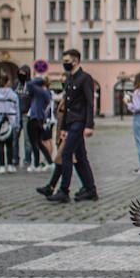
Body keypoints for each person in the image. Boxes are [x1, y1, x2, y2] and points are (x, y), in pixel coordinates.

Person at [45, 48, 97, 202]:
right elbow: (67, 105)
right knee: (80, 157)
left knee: (67, 154)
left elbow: (89, 103)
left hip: (80, 122)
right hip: (71, 123)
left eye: (67, 61)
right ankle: (90, 189)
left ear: (75, 61)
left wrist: (89, 125)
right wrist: (64, 129)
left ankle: (64, 191)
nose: (64, 64)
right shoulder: (69, 79)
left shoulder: (85, 78)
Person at [0, 71, 21, 173]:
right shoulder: (13, 95)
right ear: (7, 82)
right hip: (10, 121)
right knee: (10, 145)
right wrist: (17, 125)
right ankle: (10, 164)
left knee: (0, 144)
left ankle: (1, 165)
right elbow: (17, 110)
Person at [24, 72, 54, 171]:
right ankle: (49, 162)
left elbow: (29, 84)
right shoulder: (47, 93)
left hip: (34, 118)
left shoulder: (40, 92)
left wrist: (40, 79)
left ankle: (36, 164)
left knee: (34, 143)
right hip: (40, 119)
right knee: (39, 143)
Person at [16, 67, 37, 170]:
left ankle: (27, 160)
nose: (21, 75)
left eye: (23, 73)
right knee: (14, 138)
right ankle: (15, 159)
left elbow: (34, 99)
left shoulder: (31, 85)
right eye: (20, 73)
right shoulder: (16, 84)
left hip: (26, 115)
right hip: (16, 115)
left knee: (27, 139)